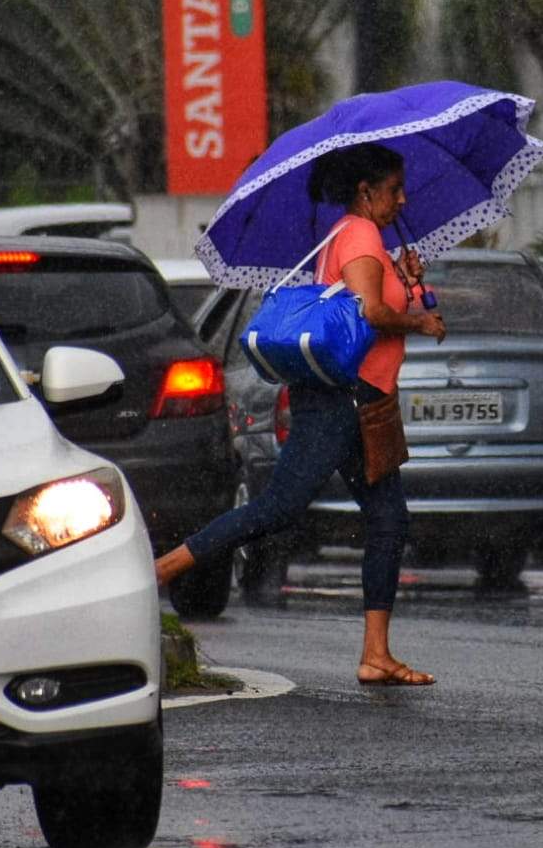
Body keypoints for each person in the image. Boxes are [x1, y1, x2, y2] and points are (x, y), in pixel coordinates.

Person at [153, 143, 447, 685]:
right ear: (365, 192)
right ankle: (164, 570)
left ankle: (376, 654)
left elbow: (377, 300)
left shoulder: (363, 239)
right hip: (342, 400)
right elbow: (370, 312)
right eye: (393, 190)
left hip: (366, 400)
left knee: (388, 519)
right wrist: (420, 324)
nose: (402, 200)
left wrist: (410, 280)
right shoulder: (359, 235)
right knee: (279, 507)